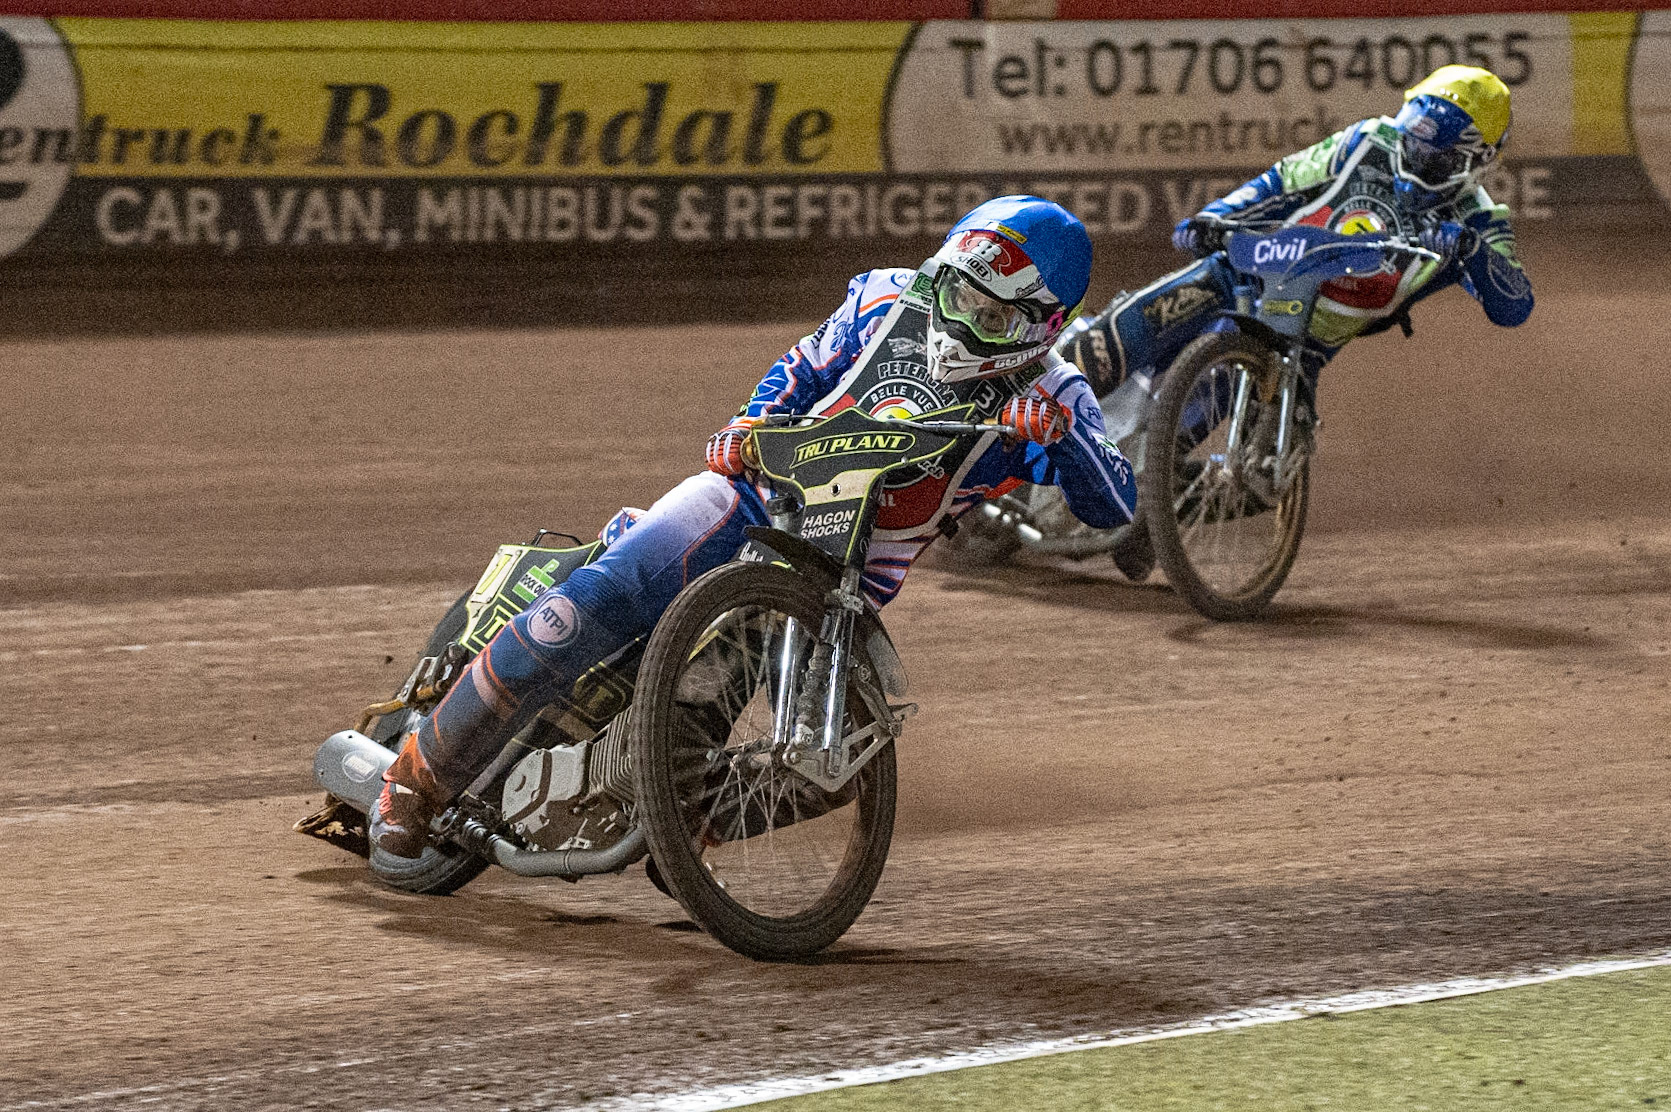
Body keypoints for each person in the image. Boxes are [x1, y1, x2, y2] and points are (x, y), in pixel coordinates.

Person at [371, 195, 1138, 858]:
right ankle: (414, 777)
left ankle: (683, 837)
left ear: (1043, 324)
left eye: (991, 313)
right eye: (953, 292)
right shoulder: (882, 298)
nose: (960, 317)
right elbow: (802, 366)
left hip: (836, 586)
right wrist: (749, 420)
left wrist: (1058, 439)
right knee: (582, 612)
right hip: (749, 500)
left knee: (833, 758)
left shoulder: (1056, 393)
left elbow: (1115, 503)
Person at [1056, 65, 1534, 580]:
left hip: (1301, 346)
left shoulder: (1477, 219)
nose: (1414, 156)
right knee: (1109, 344)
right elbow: (1283, 179)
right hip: (1239, 276)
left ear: (1475, 161)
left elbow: (1515, 304)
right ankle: (996, 401)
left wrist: (1474, 253)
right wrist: (1215, 217)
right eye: (1412, 140)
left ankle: (1156, 511)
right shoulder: (1366, 141)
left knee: (1263, 477)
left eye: (1435, 156)